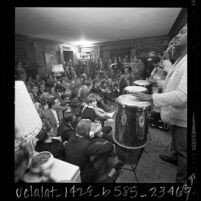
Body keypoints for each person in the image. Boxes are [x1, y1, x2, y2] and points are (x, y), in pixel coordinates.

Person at [134, 29, 187, 183]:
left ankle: (182, 182)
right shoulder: (180, 59)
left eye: (182, 33)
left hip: (184, 118)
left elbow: (183, 95)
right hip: (175, 114)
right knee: (176, 141)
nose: (177, 37)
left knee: (185, 150)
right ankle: (174, 157)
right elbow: (173, 83)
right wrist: (157, 82)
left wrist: (151, 97)